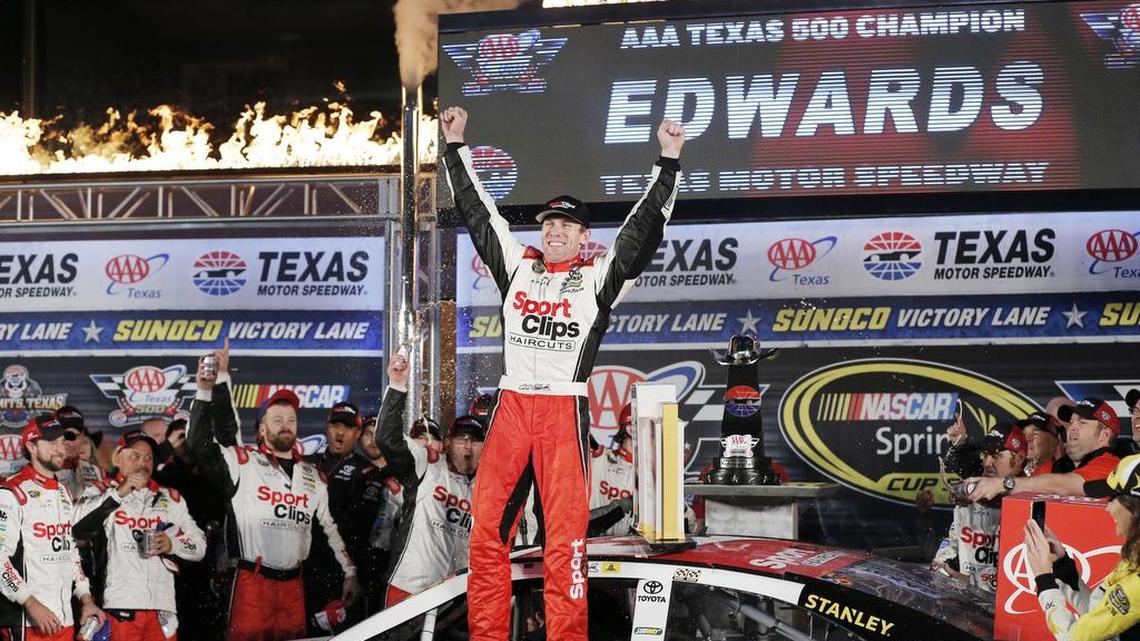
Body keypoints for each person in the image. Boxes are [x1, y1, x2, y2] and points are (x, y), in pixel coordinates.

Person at [441, 105, 684, 641]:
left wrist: (667, 161)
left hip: (561, 410)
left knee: (566, 545)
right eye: (549, 223)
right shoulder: (517, 264)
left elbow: (641, 232)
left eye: (566, 225)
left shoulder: (598, 278)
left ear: (582, 236)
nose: (554, 230)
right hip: (510, 407)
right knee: (487, 537)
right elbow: (479, 215)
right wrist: (456, 146)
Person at [187, 344, 360, 641]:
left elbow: (329, 529)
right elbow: (200, 443)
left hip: (294, 585)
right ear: (263, 429)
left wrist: (350, 572)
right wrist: (206, 389)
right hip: (252, 583)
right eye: (277, 420)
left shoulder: (312, 475)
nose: (285, 425)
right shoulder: (242, 462)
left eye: (291, 420)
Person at [72, 430, 206, 640]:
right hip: (117, 606)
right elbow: (76, 525)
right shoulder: (99, 490)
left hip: (162, 610)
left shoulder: (171, 497)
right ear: (118, 458)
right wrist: (120, 492)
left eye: (148, 457)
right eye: (135, 456)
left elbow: (199, 546)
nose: (142, 463)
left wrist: (174, 544)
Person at [378, 356, 482, 606]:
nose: (468, 446)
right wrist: (397, 386)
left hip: (455, 598)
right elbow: (387, 439)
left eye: (476, 440)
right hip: (409, 589)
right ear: (447, 442)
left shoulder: (488, 487)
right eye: (461, 439)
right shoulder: (426, 463)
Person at [0, 415, 105, 641]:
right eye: (51, 441)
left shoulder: (63, 492)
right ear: (31, 447)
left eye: (61, 441)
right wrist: (30, 602)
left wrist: (86, 599)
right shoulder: (10, 492)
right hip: (27, 621)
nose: (60, 448)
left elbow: (70, 552)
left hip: (63, 619)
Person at [1025, 453, 1140, 640]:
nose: (1108, 508)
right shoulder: (1134, 556)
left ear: (1135, 508)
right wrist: (1063, 567)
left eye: (1113, 498)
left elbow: (1073, 637)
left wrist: (1044, 579)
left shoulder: (1137, 582)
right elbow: (1096, 616)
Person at [303, 401, 386, 633]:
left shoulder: (367, 472)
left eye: (348, 427)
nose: (340, 433)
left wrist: (353, 573)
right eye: (336, 425)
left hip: (341, 572)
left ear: (357, 433)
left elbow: (360, 527)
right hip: (303, 568)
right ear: (327, 427)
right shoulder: (306, 464)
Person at [932, 423, 1028, 592]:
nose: (988, 462)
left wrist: (967, 580)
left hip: (1005, 602)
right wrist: (941, 568)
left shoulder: (1032, 503)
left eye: (996, 455)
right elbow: (952, 545)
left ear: (1019, 458)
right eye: (986, 454)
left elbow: (1022, 580)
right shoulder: (972, 491)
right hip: (963, 597)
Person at [968, 397, 1121, 501]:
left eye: (1082, 422)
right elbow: (1027, 486)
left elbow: (1066, 486)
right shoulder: (1057, 467)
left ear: (1104, 435)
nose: (1072, 427)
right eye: (1071, 422)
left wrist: (1002, 484)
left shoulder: (1113, 466)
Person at [588, 404, 635, 537]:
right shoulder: (600, 458)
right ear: (631, 429)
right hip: (594, 542)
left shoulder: (654, 472)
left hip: (634, 546)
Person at [53, 406, 107, 500]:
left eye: (76, 436)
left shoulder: (97, 471)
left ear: (82, 437)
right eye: (66, 435)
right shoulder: (42, 470)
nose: (70, 443)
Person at [1019, 412, 1073, 477]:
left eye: (1035, 433)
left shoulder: (1066, 472)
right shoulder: (1016, 469)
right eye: (1024, 433)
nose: (1027, 439)